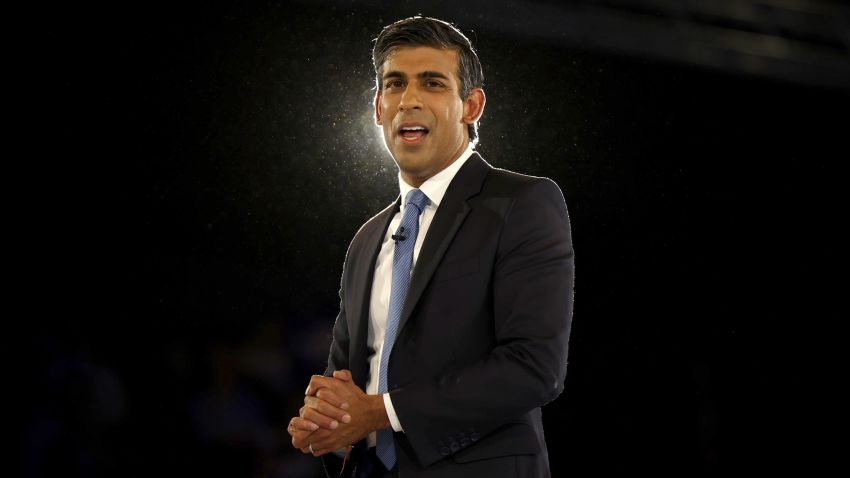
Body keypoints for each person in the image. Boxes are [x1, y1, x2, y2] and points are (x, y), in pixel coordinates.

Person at [287, 16, 574, 477]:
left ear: (471, 106)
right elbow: (346, 378)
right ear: (379, 107)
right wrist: (325, 418)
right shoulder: (366, 240)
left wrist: (381, 412)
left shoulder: (520, 203)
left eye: (433, 83)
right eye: (395, 84)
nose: (410, 100)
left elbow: (534, 368)